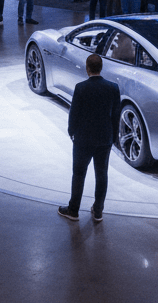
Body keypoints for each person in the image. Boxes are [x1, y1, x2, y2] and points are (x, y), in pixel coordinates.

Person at [58, 53, 120, 223]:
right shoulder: (113, 88)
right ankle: (98, 211)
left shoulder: (80, 88)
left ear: (87, 68)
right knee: (102, 174)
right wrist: (113, 137)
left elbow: (74, 114)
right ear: (101, 68)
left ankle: (73, 210)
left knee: (78, 174)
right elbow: (116, 115)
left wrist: (71, 132)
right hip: (104, 138)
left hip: (83, 139)